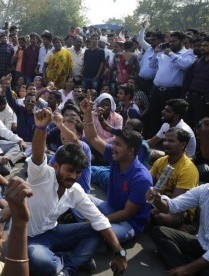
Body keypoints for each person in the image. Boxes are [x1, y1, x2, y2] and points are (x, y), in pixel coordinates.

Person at [26, 107, 127, 275]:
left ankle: (68, 269)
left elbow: (99, 220)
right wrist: (41, 128)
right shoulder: (41, 176)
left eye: (78, 172)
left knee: (96, 229)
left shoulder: (75, 190)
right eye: (70, 170)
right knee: (43, 264)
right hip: (31, 240)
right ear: (56, 166)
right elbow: (37, 157)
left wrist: (120, 253)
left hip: (54, 233)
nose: (74, 176)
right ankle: (69, 260)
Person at [81, 90, 152, 243]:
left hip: (128, 223)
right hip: (109, 208)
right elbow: (93, 138)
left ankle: (96, 238)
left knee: (95, 229)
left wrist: (98, 220)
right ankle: (95, 235)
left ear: (131, 150)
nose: (113, 147)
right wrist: (87, 113)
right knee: (75, 195)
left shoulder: (142, 178)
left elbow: (127, 213)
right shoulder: (116, 156)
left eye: (118, 145)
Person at [147, 184, 209, 276]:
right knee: (159, 232)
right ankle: (190, 267)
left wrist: (187, 269)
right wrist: (158, 201)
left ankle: (190, 268)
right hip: (203, 243)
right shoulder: (205, 190)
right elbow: (173, 206)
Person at [149, 127, 198, 229]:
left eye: (171, 141)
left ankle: (187, 227)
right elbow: (147, 182)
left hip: (180, 210)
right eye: (165, 140)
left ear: (183, 145)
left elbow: (176, 205)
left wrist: (155, 201)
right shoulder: (160, 161)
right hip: (159, 201)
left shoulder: (188, 169)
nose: (166, 143)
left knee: (159, 217)